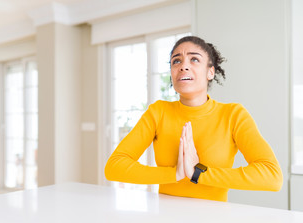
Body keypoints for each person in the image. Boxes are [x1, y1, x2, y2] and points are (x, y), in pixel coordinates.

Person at [105, 36, 283, 202]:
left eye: (194, 59)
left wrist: (197, 174)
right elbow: (114, 167)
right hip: (167, 218)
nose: (183, 66)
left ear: (210, 72)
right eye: (176, 61)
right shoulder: (158, 112)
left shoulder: (233, 115)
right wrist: (175, 173)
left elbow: (272, 176)